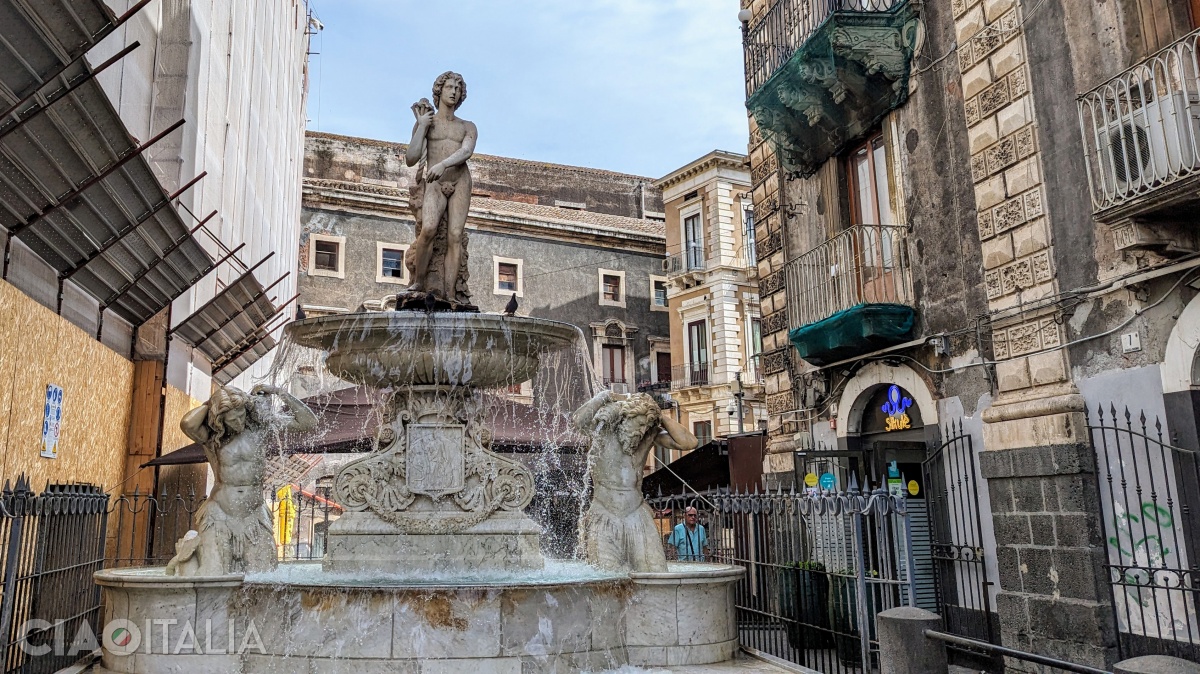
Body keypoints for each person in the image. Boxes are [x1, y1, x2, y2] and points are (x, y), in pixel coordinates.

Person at [166, 384, 316, 576]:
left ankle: (189, 553)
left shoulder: (261, 430)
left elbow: (308, 422)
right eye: (232, 417)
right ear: (221, 419)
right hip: (219, 514)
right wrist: (213, 402)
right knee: (212, 575)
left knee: (263, 575)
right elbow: (187, 423)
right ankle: (187, 555)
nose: (238, 421)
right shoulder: (213, 438)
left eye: (241, 414)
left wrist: (280, 393)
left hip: (254, 514)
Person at [572, 390, 698, 572]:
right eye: (638, 424)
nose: (640, 431)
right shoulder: (604, 430)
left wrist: (659, 416)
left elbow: (689, 442)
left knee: (656, 571)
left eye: (645, 427)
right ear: (626, 418)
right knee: (605, 578)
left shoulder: (648, 435)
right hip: (604, 512)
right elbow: (578, 422)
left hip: (636, 513)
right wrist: (603, 397)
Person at [404, 71, 477, 300]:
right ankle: (419, 282)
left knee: (455, 235)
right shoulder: (427, 122)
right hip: (435, 183)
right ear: (439, 90)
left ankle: (450, 293)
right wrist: (422, 126)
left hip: (459, 180)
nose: (454, 92)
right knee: (428, 229)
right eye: (449, 87)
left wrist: (443, 165)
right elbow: (411, 158)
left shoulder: (468, 126)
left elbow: (466, 151)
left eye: (458, 88)